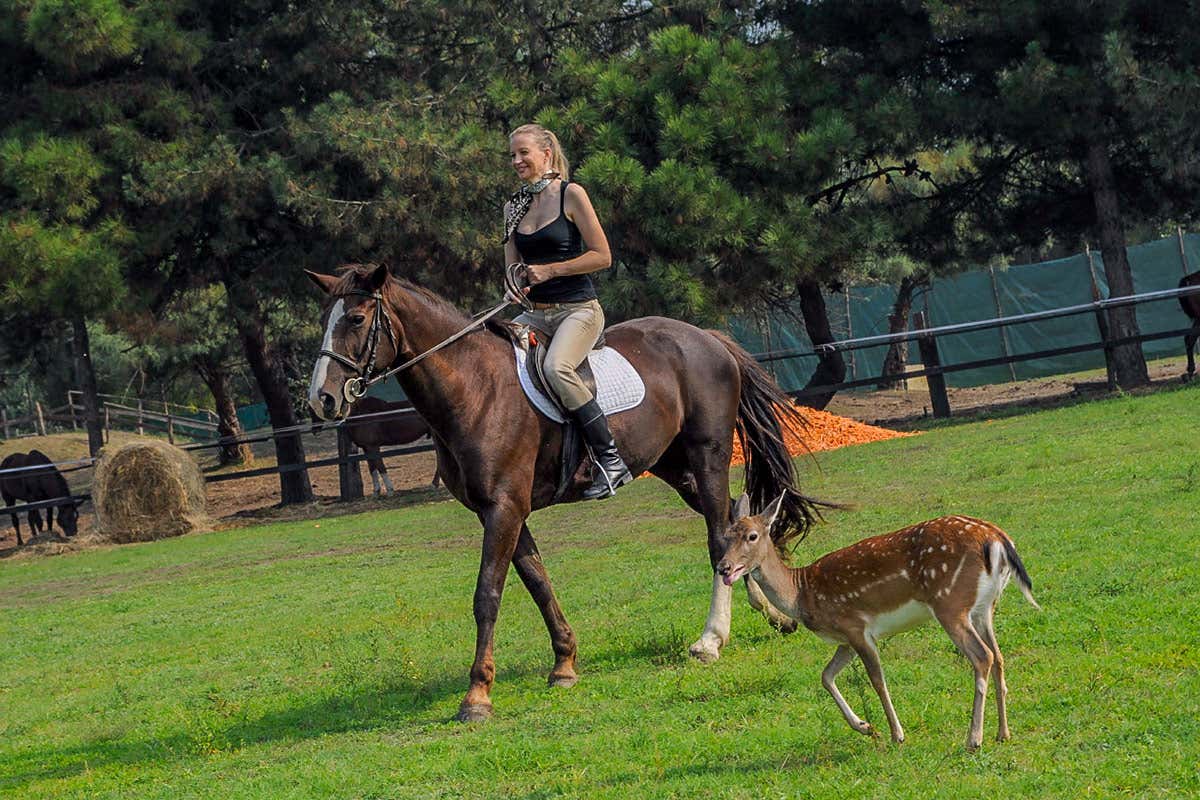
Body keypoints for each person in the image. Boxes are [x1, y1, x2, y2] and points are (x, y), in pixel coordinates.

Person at [503, 123, 632, 500]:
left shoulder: (571, 194)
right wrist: (513, 285)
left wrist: (551, 270)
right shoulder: (512, 207)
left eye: (523, 153)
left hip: (578, 311)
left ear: (546, 153)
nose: (516, 161)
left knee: (556, 368)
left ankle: (610, 459)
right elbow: (511, 267)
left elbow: (602, 256)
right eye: (512, 155)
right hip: (533, 314)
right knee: (495, 361)